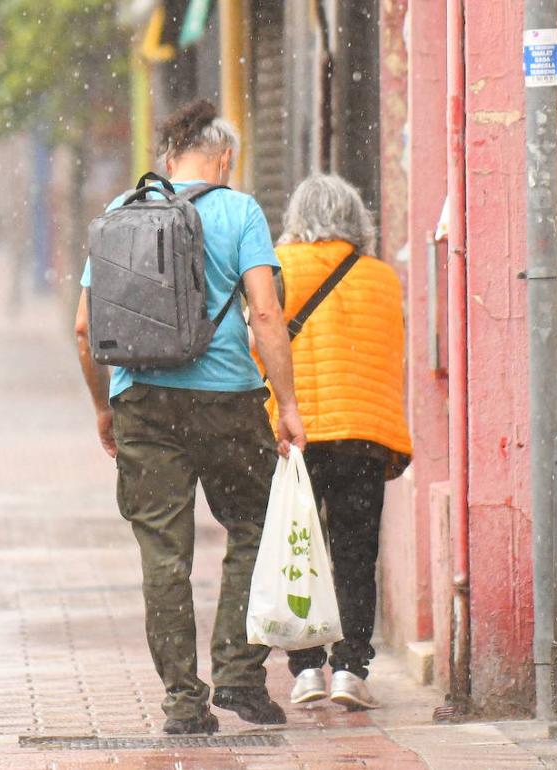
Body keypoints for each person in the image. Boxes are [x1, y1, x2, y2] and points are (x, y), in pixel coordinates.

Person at [74, 99, 306, 735]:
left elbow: (83, 326)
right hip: (229, 401)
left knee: (164, 555)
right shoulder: (240, 210)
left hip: (141, 401)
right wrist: (286, 404)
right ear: (225, 157)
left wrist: (104, 407)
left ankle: (183, 701)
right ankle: (237, 671)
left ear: (167, 157)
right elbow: (265, 314)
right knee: (256, 526)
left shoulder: (122, 213)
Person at [271, 174, 412, 710]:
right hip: (364, 435)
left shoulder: (278, 270)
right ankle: (351, 670)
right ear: (356, 218)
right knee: (355, 554)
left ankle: (306, 670)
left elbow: (261, 345)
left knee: (299, 552)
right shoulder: (380, 277)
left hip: (298, 437)